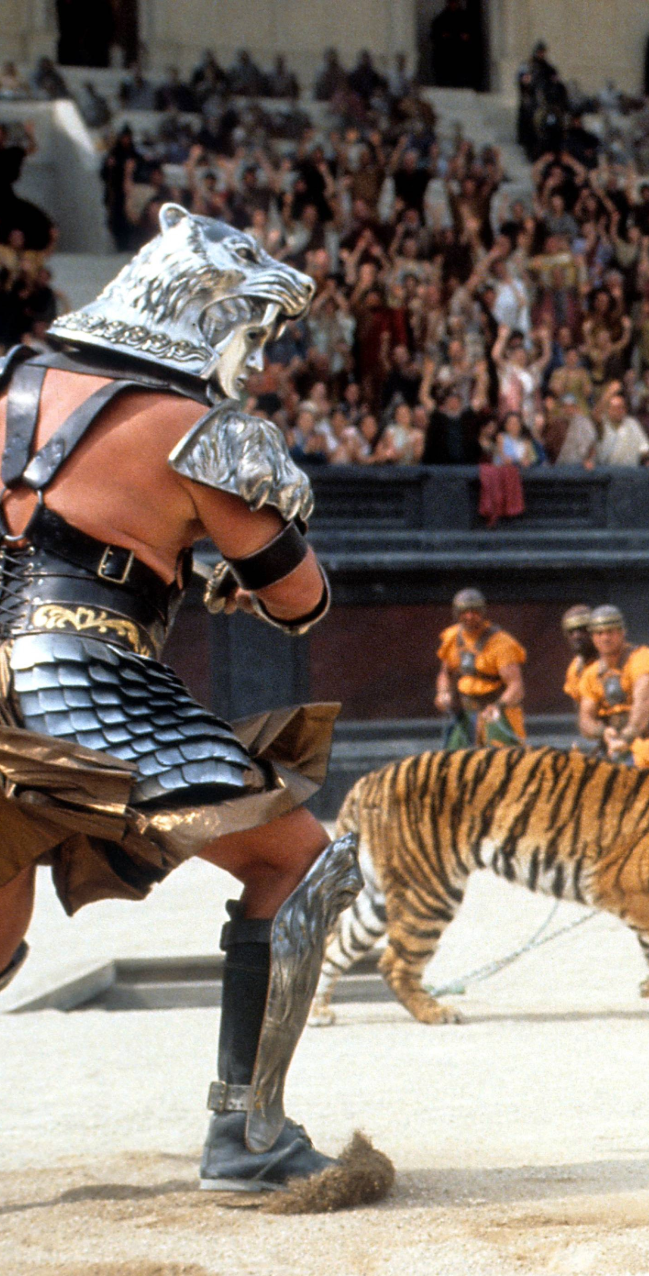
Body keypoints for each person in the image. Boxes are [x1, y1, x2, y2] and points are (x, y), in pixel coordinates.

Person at [0, 206, 383, 1199]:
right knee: (303, 862)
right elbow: (300, 599)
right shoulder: (199, 432)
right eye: (251, 333)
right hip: (78, 675)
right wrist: (235, 571)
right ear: (214, 319)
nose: (251, 357)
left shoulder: (8, 377)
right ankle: (250, 1136)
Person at [576, 606, 649, 768]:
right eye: (599, 633)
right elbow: (585, 719)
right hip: (613, 750)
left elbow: (642, 706)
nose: (605, 638)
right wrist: (603, 732)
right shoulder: (591, 674)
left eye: (611, 631)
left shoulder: (644, 659)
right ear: (592, 637)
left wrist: (626, 738)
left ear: (622, 632)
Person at [435, 587, 528, 747]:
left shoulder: (502, 643)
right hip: (467, 712)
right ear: (456, 613)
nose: (469, 616)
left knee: (502, 760)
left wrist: (499, 706)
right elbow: (446, 673)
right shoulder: (452, 638)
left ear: (482, 612)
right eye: (464, 611)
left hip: (497, 713)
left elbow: (516, 686)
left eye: (475, 611)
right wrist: (444, 693)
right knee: (453, 759)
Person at [560, 603, 597, 732]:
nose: (577, 636)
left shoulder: (616, 661)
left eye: (582, 629)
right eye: (571, 632)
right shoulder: (575, 669)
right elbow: (582, 714)